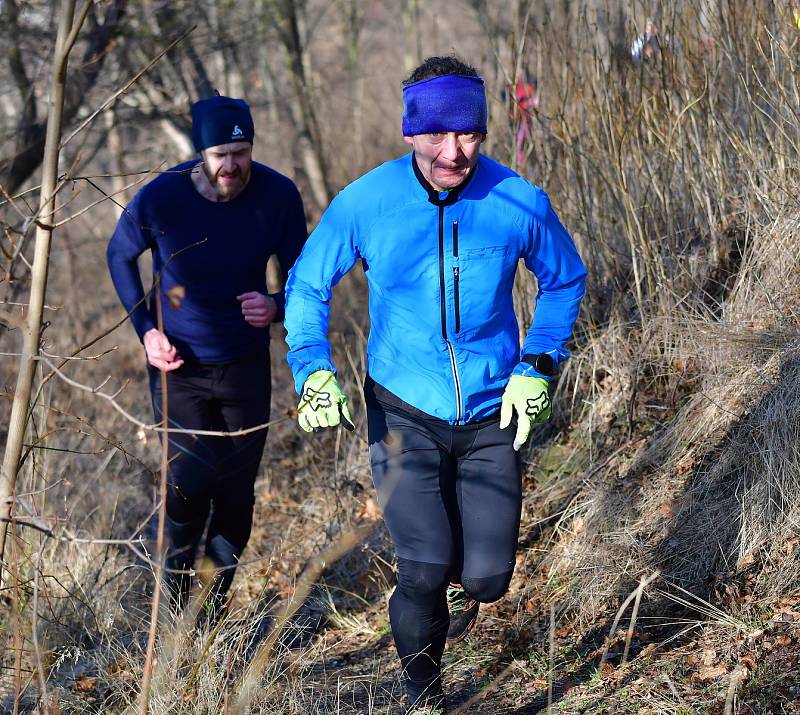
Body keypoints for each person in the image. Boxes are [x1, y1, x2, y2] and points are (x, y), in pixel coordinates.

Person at [284, 56, 586, 714]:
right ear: (410, 131)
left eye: (470, 134)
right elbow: (307, 285)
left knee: (487, 576)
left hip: (489, 410)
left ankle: (459, 586)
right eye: (438, 135)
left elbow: (566, 278)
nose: (455, 152)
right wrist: (311, 368)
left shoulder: (515, 202)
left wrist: (539, 361)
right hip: (403, 408)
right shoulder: (367, 203)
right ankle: (423, 690)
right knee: (422, 563)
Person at [106, 95, 306, 619]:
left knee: (236, 494)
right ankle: (172, 605)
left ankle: (211, 615)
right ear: (200, 153)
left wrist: (277, 304)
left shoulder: (277, 196)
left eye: (242, 152)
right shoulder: (163, 199)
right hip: (179, 368)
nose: (233, 166)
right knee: (187, 485)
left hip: (244, 365)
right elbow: (120, 254)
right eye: (221, 153)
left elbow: (301, 275)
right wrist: (146, 330)